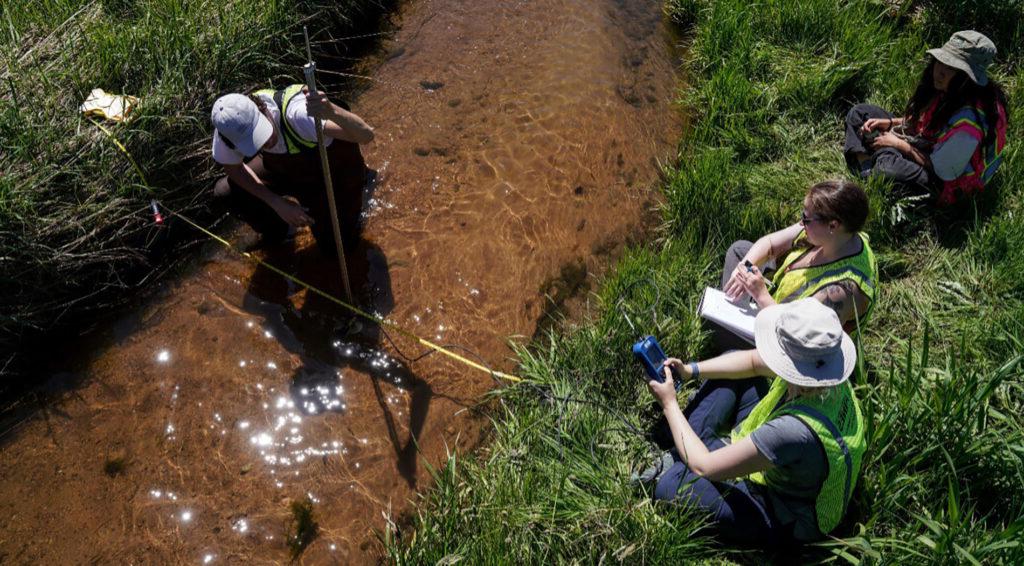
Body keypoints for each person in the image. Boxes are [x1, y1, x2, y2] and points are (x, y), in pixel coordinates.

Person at [644, 298, 866, 546]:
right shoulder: (826, 372)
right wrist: (690, 370)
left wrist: (669, 404)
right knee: (733, 361)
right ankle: (685, 443)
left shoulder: (794, 430)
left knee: (669, 486)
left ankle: (681, 447)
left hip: (786, 514)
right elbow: (751, 362)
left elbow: (705, 467)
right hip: (788, 458)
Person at [209, 84, 375, 269]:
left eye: (261, 133)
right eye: (254, 142)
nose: (266, 142)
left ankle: (362, 187)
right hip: (286, 170)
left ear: (262, 108)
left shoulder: (299, 116)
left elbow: (366, 134)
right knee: (226, 191)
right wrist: (276, 203)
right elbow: (233, 169)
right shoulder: (228, 130)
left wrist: (332, 111)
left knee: (336, 250)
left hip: (334, 173)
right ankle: (278, 233)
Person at [844, 30, 1009, 205]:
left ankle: (873, 164)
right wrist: (891, 123)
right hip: (928, 145)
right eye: (941, 61)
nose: (939, 71)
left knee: (889, 169)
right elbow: (927, 121)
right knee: (859, 112)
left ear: (968, 77)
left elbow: (943, 171)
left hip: (945, 179)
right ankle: (870, 168)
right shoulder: (955, 90)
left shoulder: (969, 127)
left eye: (952, 68)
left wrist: (898, 144)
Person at [716, 180, 876, 351]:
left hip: (788, 347)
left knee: (719, 332)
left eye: (806, 218)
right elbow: (770, 243)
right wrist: (745, 267)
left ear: (832, 225)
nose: (801, 223)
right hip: (776, 301)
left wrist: (761, 295)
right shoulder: (839, 237)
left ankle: (724, 329)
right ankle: (727, 312)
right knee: (741, 251)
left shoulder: (841, 291)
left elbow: (794, 334)